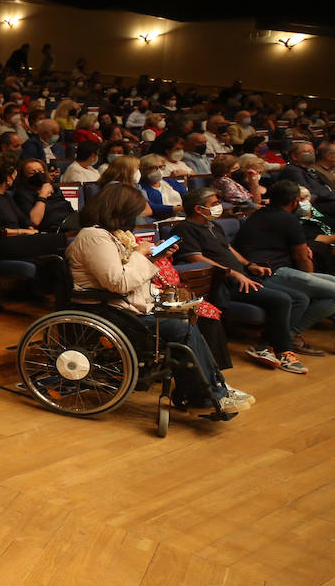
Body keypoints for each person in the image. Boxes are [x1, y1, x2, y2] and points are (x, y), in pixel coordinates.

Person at [66, 183, 250, 416]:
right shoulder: (94, 237)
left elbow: (128, 274)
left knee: (189, 318)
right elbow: (118, 282)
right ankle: (205, 395)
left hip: (125, 303)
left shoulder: (112, 235)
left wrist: (155, 257)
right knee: (180, 328)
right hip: (107, 309)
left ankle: (211, 388)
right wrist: (139, 254)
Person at [173, 188, 309, 374]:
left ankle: (264, 345)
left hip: (244, 277)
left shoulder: (213, 225)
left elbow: (228, 249)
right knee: (282, 299)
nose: (219, 207)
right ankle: (283, 351)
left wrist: (249, 264)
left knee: (300, 297)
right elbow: (196, 259)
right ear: (198, 208)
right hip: (223, 283)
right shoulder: (184, 229)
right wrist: (234, 274)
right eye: (214, 203)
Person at [233, 180, 335, 356]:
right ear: (295, 201)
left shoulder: (259, 214)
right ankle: (287, 336)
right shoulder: (288, 219)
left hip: (267, 268)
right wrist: (310, 282)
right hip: (271, 271)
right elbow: (302, 258)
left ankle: (287, 335)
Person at [0, 155, 68, 258]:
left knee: (56, 247)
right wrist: (23, 231)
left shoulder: (5, 195)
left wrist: (30, 229)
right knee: (58, 241)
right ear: (7, 176)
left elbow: (24, 220)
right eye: (14, 172)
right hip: (3, 243)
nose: (15, 175)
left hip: (19, 239)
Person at [12, 158, 73, 233]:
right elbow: (34, 221)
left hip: (70, 223)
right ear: (24, 177)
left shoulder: (55, 188)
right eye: (32, 173)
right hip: (51, 231)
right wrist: (42, 195)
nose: (38, 174)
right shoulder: (22, 194)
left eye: (41, 171)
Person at [277, 141, 335, 207]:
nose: (311, 154)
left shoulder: (309, 169)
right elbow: (308, 193)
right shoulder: (292, 171)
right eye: (307, 151)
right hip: (317, 204)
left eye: (313, 152)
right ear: (294, 156)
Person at [139, 153, 184, 218]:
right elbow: (151, 207)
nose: (159, 171)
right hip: (160, 219)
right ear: (144, 170)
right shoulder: (141, 187)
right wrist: (177, 208)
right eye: (154, 168)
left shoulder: (172, 182)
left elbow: (187, 197)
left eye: (161, 167)